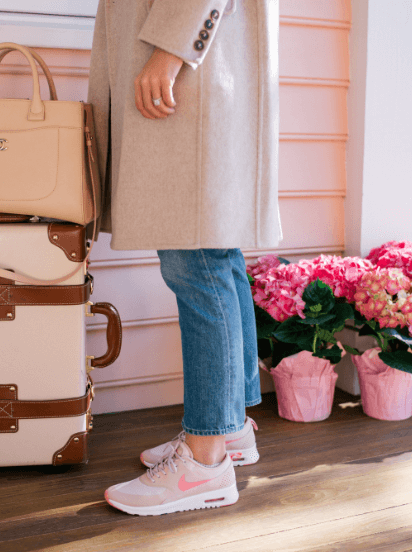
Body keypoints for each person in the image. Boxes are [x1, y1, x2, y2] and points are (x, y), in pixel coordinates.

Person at [87, 0, 282, 516]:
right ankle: (228, 430)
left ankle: (203, 463)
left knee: (195, 263)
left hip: (185, 71)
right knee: (214, 251)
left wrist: (172, 48)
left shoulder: (173, 55)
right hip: (193, 70)